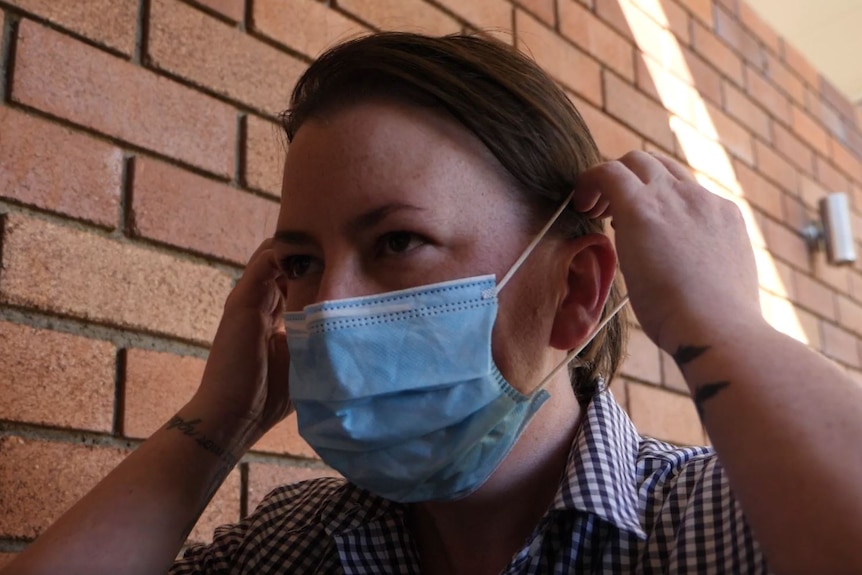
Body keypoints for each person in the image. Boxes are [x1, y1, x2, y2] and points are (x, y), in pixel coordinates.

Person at [4, 32, 862, 575]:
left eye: (397, 242)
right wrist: (214, 427)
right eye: (300, 260)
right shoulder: (297, 543)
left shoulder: (724, 522)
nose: (326, 312)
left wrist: (722, 328)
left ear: (576, 291)